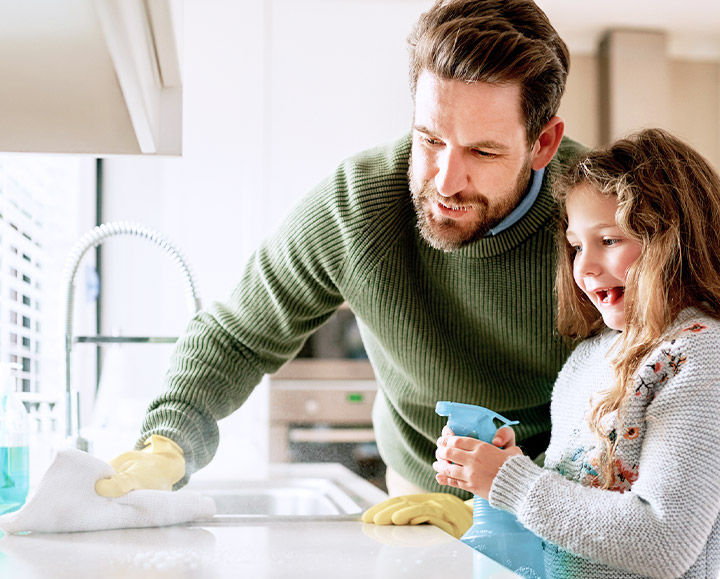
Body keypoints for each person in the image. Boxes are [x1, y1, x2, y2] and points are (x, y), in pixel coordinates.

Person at [95, 0, 582, 527]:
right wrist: (167, 443)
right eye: (430, 139)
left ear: (543, 143)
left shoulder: (600, 216)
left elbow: (641, 400)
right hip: (418, 495)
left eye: (482, 153)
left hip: (557, 501)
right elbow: (237, 337)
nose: (445, 181)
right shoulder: (357, 204)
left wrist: (510, 499)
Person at [431, 128, 720, 579]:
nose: (584, 267)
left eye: (609, 240)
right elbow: (576, 543)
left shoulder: (700, 357)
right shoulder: (591, 359)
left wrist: (514, 483)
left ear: (673, 238)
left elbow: (663, 541)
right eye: (576, 244)